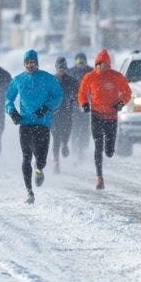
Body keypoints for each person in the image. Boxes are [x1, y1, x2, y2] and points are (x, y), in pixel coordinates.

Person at [5, 49, 63, 204]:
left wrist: (47, 107)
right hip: (25, 124)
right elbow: (8, 99)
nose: (30, 65)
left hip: (43, 124)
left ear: (37, 63)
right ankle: (29, 191)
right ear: (24, 64)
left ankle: (39, 169)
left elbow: (58, 95)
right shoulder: (18, 80)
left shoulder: (48, 78)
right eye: (28, 63)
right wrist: (12, 112)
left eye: (33, 62)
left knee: (41, 158)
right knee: (26, 157)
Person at [76, 49, 131, 190]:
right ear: (96, 64)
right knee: (98, 148)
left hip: (111, 116)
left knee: (109, 151)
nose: (103, 67)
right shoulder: (90, 77)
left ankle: (110, 150)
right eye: (100, 64)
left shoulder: (116, 77)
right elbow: (82, 92)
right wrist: (84, 104)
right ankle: (99, 178)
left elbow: (127, 91)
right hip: (96, 115)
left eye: (106, 64)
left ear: (109, 65)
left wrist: (121, 102)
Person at [51, 56, 79, 174]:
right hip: (54, 114)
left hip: (67, 112)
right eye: (59, 68)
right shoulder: (50, 81)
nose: (61, 70)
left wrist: (78, 102)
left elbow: (78, 95)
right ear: (56, 68)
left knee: (66, 132)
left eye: (63, 68)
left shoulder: (72, 81)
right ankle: (56, 163)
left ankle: (65, 144)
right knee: (56, 138)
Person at [67, 52, 94, 157]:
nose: (81, 64)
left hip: (86, 105)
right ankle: (75, 147)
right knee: (75, 127)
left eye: (82, 61)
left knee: (85, 127)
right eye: (79, 61)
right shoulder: (70, 72)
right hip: (74, 105)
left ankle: (83, 148)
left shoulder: (91, 71)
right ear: (75, 61)